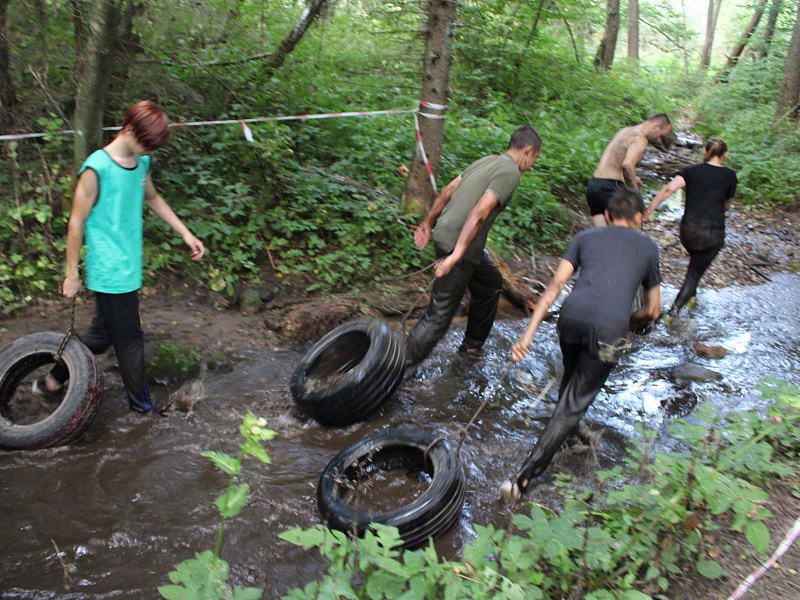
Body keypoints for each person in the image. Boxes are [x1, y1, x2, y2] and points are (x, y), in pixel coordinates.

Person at [33, 100, 205, 413]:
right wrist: (71, 274)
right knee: (129, 340)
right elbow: (76, 222)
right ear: (127, 128)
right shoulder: (96, 168)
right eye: (143, 144)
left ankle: (50, 383)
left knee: (102, 334)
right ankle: (142, 409)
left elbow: (152, 197)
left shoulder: (141, 163)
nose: (145, 151)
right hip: (109, 268)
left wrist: (185, 233)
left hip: (129, 264)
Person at [504, 187, 661, 498]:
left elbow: (554, 286)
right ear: (640, 217)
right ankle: (525, 475)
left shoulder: (585, 238)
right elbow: (653, 309)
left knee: (570, 379)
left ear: (606, 216)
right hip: (610, 331)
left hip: (570, 318)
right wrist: (625, 320)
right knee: (574, 403)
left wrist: (527, 335)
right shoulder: (649, 246)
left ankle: (567, 435)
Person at [405, 125, 542, 367]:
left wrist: (428, 222)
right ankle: (399, 367)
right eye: (535, 158)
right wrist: (456, 256)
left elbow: (448, 190)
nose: (532, 164)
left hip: (447, 235)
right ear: (528, 150)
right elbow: (479, 213)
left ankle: (471, 348)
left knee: (490, 282)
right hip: (460, 244)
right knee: (439, 315)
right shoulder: (511, 172)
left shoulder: (486, 161)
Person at [643, 137, 737, 317]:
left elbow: (668, 190)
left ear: (704, 152)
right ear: (725, 155)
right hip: (712, 233)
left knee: (695, 264)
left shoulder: (691, 171)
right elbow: (727, 206)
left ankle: (691, 297)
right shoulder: (730, 175)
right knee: (694, 275)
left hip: (688, 231)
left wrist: (649, 211)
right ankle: (673, 313)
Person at [586, 114, 672, 227]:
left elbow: (614, 161)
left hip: (593, 186)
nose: (659, 140)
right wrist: (635, 194)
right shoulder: (640, 139)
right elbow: (627, 165)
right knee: (626, 232)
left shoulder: (626, 131)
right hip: (609, 187)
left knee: (602, 236)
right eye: (661, 136)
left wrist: (632, 178)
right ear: (655, 126)